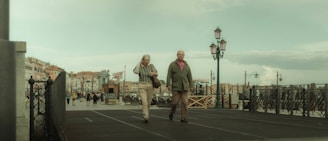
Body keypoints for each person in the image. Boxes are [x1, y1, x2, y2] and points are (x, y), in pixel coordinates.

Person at [166, 50, 193, 123]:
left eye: (182, 54)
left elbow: (189, 76)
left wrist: (191, 85)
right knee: (174, 103)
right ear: (177, 55)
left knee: (184, 102)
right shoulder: (172, 64)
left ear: (184, 56)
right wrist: (168, 84)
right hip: (176, 87)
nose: (180, 56)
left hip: (185, 87)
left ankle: (183, 117)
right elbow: (169, 75)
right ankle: (171, 112)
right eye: (179, 54)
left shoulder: (186, 65)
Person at [133, 54, 158, 123]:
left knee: (149, 102)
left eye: (148, 60)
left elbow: (156, 73)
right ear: (143, 60)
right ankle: (146, 116)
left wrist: (152, 73)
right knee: (144, 102)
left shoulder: (151, 66)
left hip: (150, 85)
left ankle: (146, 112)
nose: (147, 61)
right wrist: (139, 63)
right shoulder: (139, 67)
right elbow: (135, 72)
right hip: (142, 85)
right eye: (146, 60)